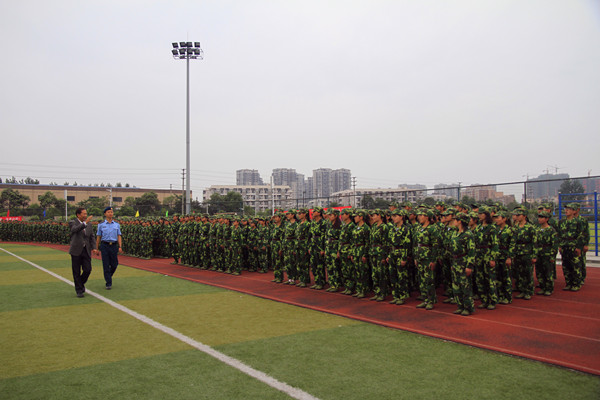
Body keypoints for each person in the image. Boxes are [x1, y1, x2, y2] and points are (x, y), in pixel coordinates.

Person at [69, 207, 97, 297]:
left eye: (86, 214)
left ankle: (80, 284)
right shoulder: (73, 222)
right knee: (76, 271)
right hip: (76, 250)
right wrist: (85, 223)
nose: (85, 215)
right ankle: (79, 290)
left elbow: (92, 236)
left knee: (88, 269)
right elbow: (75, 229)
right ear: (78, 215)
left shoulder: (89, 224)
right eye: (84, 214)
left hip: (86, 250)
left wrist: (94, 247)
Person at [96, 206, 122, 290]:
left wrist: (120, 246)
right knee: (106, 264)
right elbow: (98, 237)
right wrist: (97, 248)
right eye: (108, 212)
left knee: (114, 264)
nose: (110, 213)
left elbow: (119, 236)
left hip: (113, 245)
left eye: (111, 212)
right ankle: (108, 283)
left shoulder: (116, 224)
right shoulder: (101, 225)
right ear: (105, 214)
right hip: (105, 245)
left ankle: (108, 276)